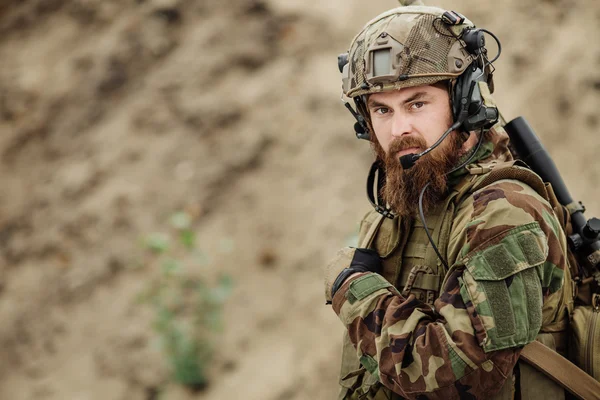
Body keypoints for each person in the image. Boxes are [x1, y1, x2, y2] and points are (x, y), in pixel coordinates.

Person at [323, 1, 573, 399]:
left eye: (417, 103)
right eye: (381, 110)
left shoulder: (504, 211)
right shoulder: (413, 196)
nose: (399, 128)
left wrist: (355, 293)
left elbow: (461, 376)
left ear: (464, 103)